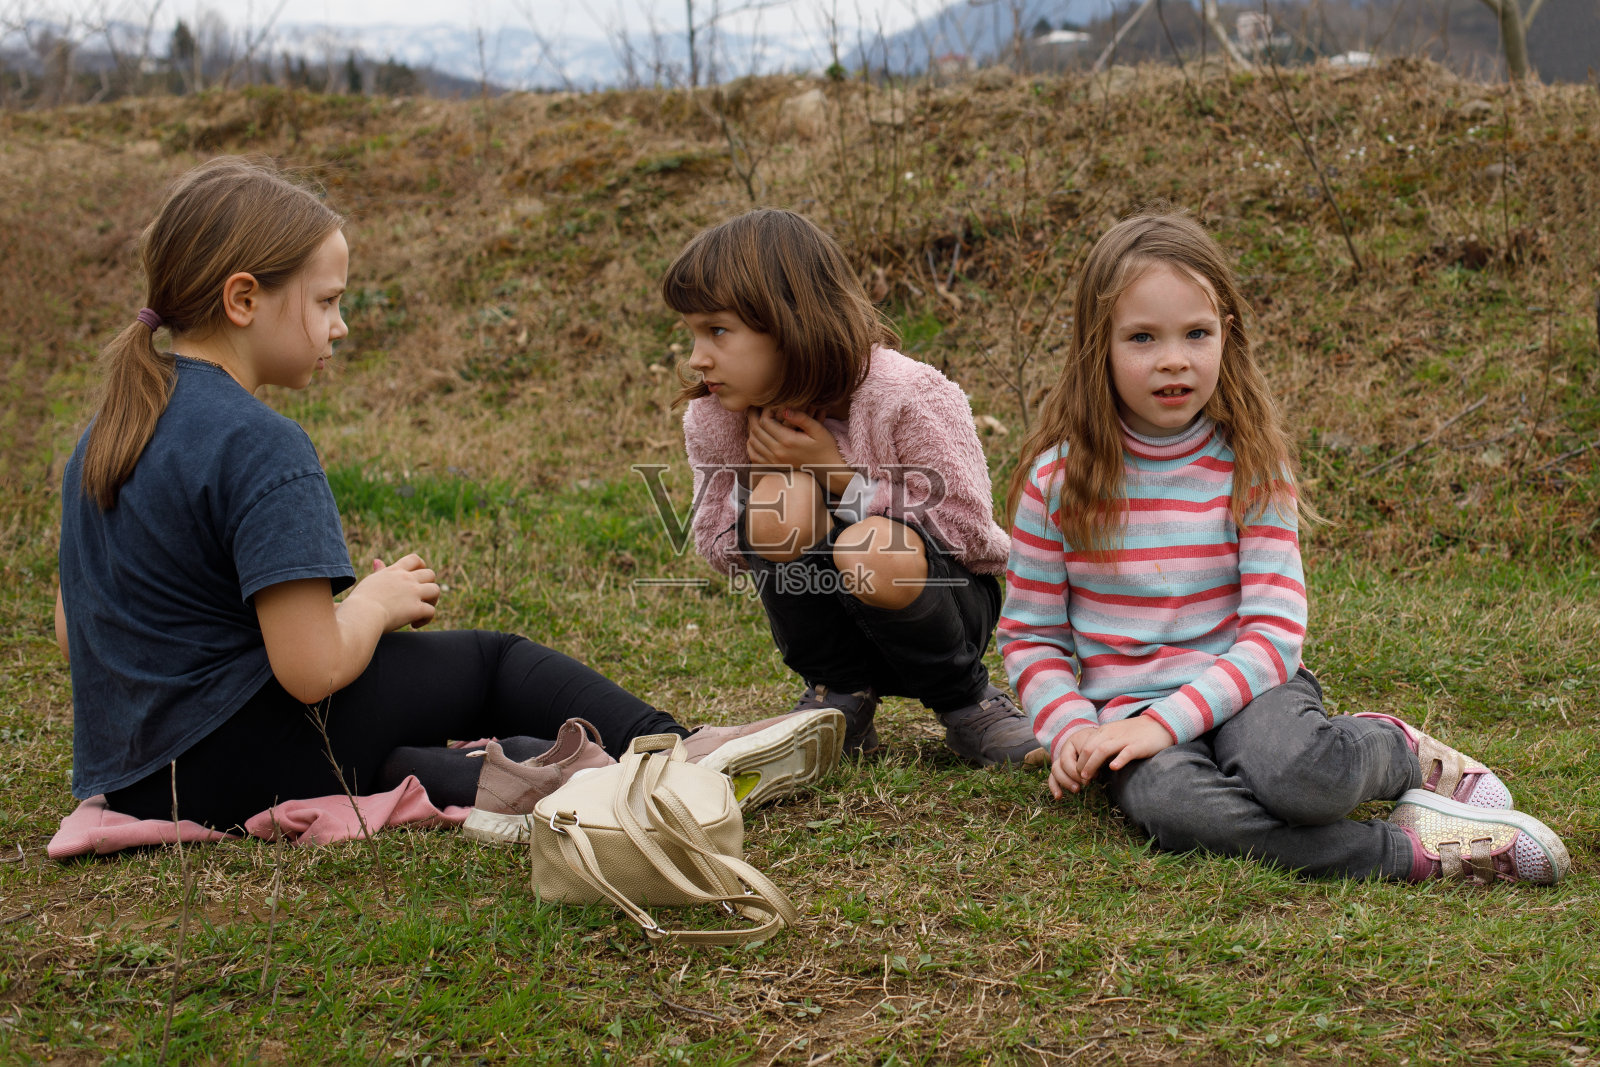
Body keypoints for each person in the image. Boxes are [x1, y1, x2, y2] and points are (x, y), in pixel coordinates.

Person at [54, 157, 842, 839]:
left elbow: (73, 631)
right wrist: (374, 601)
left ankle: (543, 775)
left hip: (144, 778)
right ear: (243, 299)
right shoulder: (257, 443)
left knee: (395, 752)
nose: (341, 326)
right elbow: (312, 669)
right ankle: (678, 751)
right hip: (240, 754)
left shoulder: (109, 431)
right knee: (493, 663)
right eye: (327, 301)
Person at [1000, 207, 1569, 885]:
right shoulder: (1057, 482)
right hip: (1129, 716)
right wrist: (1072, 731)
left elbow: (1272, 634)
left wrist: (1169, 721)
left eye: (1196, 333)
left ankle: (1400, 753)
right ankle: (1417, 854)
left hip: (1249, 691)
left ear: (1227, 335)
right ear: (1099, 345)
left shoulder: (1250, 464)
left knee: (1302, 778)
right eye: (1143, 337)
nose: (1174, 358)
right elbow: (1031, 636)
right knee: (1176, 809)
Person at [665, 208, 1043, 768]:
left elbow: (965, 528)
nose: (698, 358)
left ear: (791, 322)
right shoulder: (719, 416)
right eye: (692, 334)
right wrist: (768, 481)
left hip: (944, 609)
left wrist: (836, 476)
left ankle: (968, 706)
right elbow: (719, 545)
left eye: (717, 331)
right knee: (778, 506)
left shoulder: (904, 393)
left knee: (870, 547)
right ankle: (839, 698)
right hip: (836, 625)